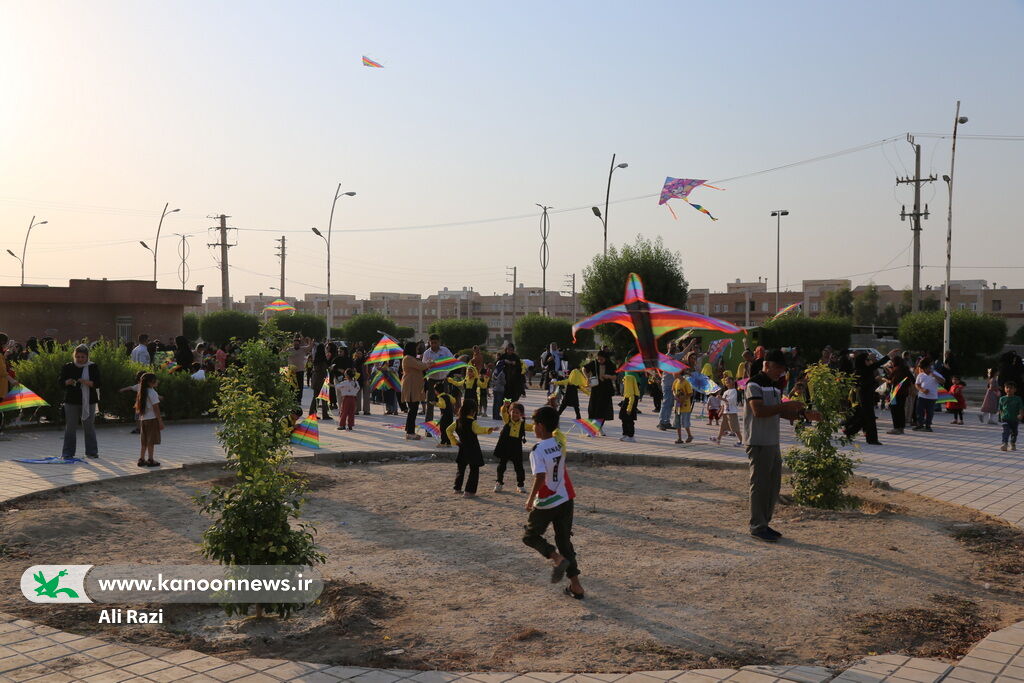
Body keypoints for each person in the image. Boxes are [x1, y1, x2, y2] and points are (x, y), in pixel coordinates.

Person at [522, 405, 583, 600]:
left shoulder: (537, 450)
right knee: (564, 540)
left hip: (547, 499)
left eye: (534, 424)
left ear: (540, 425)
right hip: (565, 496)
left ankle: (556, 558)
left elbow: (540, 476)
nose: (532, 428)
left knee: (530, 536)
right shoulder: (559, 442)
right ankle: (576, 586)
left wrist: (530, 498)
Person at [743, 349, 804, 542]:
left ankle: (765, 523)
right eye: (778, 368)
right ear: (766, 365)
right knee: (760, 485)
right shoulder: (753, 384)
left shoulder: (775, 386)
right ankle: (757, 526)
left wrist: (802, 414)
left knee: (773, 485)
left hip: (772, 440)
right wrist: (785, 406)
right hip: (758, 440)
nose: (781, 372)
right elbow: (759, 411)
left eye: (783, 369)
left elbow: (778, 412)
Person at [58, 344, 102, 460]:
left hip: (89, 401)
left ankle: (92, 452)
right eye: (78, 357)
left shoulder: (92, 367)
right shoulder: (68, 367)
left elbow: (98, 383)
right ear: (74, 356)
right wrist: (67, 382)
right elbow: (60, 382)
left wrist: (85, 382)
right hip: (71, 400)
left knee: (89, 426)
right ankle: (68, 453)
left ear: (87, 357)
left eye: (82, 357)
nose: (80, 359)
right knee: (70, 427)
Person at [446, 399, 494, 497]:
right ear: (473, 411)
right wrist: (489, 429)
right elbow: (478, 430)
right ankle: (469, 491)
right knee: (474, 469)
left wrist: (454, 441)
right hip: (473, 448)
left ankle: (457, 488)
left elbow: (448, 430)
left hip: (462, 447)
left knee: (461, 469)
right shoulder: (472, 422)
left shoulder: (457, 421)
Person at [843, 351, 891, 446]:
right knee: (869, 417)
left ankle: (849, 431)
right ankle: (872, 439)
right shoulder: (863, 370)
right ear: (862, 361)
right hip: (864, 396)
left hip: (867, 395)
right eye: (867, 359)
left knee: (863, 417)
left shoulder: (864, 369)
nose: (869, 361)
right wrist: (888, 356)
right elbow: (877, 364)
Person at [494, 400, 529, 493]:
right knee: (501, 465)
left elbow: (532, 427)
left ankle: (520, 484)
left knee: (519, 467)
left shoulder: (523, 424)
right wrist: (504, 406)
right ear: (510, 412)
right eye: (513, 412)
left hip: (516, 446)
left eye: (517, 413)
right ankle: (499, 483)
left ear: (521, 414)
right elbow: (503, 412)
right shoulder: (507, 420)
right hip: (505, 445)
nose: (515, 414)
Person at [401, 342, 432, 440]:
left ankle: (409, 431)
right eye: (416, 348)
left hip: (414, 386)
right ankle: (410, 432)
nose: (417, 350)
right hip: (410, 386)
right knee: (413, 410)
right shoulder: (408, 358)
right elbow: (421, 366)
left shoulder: (412, 358)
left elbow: (421, 364)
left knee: (413, 409)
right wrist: (429, 363)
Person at [422, 334, 454, 422]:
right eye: (432, 343)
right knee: (430, 404)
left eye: (436, 343)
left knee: (445, 404)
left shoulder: (445, 351)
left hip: (443, 380)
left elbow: (452, 361)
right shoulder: (426, 353)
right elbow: (423, 367)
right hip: (431, 381)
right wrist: (429, 365)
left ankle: (446, 425)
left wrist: (442, 363)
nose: (434, 345)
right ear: (429, 342)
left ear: (439, 342)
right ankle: (428, 428)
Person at [135, 372, 163, 467]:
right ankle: (151, 459)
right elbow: (156, 408)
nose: (157, 381)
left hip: (143, 419)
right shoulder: (152, 392)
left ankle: (141, 459)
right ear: (151, 382)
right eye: (155, 380)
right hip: (152, 419)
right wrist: (160, 421)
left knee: (144, 441)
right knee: (151, 441)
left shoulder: (142, 392)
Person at [586, 351, 614, 435]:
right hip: (595, 389)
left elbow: (615, 376)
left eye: (601, 359)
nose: (599, 361)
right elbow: (584, 368)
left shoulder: (610, 364)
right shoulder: (594, 363)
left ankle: (599, 428)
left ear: (605, 358)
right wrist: (587, 378)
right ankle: (590, 429)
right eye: (598, 359)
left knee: (602, 410)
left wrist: (608, 376)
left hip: (606, 390)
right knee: (592, 409)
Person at [711, 375, 743, 447]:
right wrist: (720, 411)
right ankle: (718, 439)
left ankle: (741, 441)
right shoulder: (726, 392)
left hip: (732, 412)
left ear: (733, 382)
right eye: (726, 380)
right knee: (722, 426)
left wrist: (722, 399)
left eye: (729, 380)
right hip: (726, 412)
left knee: (735, 428)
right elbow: (723, 404)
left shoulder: (734, 391)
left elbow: (732, 401)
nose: (727, 381)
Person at [886, 356, 914, 435]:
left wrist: (884, 379)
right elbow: (913, 379)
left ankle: (896, 428)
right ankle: (901, 428)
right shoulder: (906, 369)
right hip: (904, 393)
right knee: (901, 410)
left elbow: (890, 380)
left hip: (894, 394)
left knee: (895, 411)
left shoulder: (895, 370)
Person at [913, 361, 942, 432]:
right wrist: (922, 390)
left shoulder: (935, 373)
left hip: (932, 397)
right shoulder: (920, 375)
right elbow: (917, 384)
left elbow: (943, 381)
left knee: (930, 412)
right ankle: (920, 425)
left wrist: (934, 375)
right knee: (919, 411)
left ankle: (928, 426)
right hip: (921, 396)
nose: (924, 370)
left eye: (927, 368)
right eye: (922, 369)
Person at [308, 343, 331, 420]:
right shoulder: (323, 360)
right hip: (322, 380)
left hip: (315, 380)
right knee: (324, 398)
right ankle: (325, 414)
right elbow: (324, 369)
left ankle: (312, 413)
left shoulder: (316, 359)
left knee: (315, 398)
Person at [998, 382, 1023, 452]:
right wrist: (1001, 416)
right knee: (1006, 431)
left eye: (1011, 388)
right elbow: (1000, 409)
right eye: (1007, 387)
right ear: (1004, 389)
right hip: (1005, 419)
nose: (1008, 389)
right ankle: (1005, 444)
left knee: (1014, 432)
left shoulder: (1018, 399)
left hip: (1015, 419)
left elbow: (1021, 408)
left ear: (1015, 390)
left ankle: (1012, 443)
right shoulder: (1002, 399)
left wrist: (1021, 415)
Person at [672, 369, 694, 445]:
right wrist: (675, 396)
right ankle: (679, 438)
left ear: (678, 373)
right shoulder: (675, 381)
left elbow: (690, 393)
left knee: (685, 422)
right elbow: (673, 390)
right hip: (677, 405)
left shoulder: (686, 382)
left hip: (685, 405)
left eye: (674, 373)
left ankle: (689, 435)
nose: (673, 374)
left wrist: (683, 399)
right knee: (677, 422)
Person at [286, 336, 309, 407]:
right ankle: (291, 400)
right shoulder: (289, 349)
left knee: (300, 386)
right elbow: (282, 353)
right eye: (294, 344)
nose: (296, 345)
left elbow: (310, 347)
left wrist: (310, 340)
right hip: (291, 371)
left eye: (297, 344)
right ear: (293, 344)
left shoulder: (303, 349)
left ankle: (299, 400)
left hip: (300, 371)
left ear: (299, 344)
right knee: (291, 387)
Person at [619, 370, 639, 443]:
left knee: (629, 421)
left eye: (625, 380)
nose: (623, 382)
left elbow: (631, 399)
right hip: (626, 409)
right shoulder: (629, 390)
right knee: (624, 420)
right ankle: (626, 434)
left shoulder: (631, 390)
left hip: (628, 409)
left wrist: (629, 409)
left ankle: (630, 436)